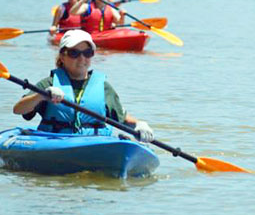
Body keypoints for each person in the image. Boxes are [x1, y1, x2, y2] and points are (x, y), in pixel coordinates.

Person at [13, 30, 154, 141]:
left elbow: (121, 118)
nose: (82, 58)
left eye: (87, 53)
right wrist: (41, 96)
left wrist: (139, 125)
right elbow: (18, 109)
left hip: (94, 143)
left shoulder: (103, 87)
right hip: (56, 141)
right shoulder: (49, 84)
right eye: (74, 53)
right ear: (62, 56)